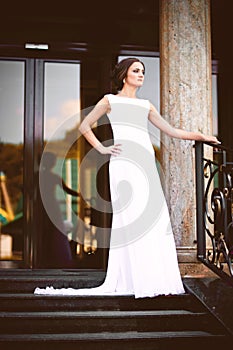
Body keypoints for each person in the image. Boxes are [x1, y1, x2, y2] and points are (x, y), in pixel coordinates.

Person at [34, 57, 220, 297]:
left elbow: (171, 131)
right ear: (124, 75)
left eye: (143, 71)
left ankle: (152, 278)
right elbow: (84, 125)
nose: (141, 74)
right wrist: (101, 148)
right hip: (123, 164)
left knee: (152, 218)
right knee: (130, 218)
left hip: (145, 164)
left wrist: (202, 136)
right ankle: (132, 278)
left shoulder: (146, 105)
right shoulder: (110, 101)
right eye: (136, 70)